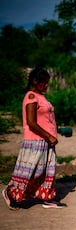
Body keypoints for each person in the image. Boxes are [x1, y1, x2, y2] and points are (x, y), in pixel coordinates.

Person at [2, 68, 67, 210]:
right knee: (31, 171)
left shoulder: (42, 97)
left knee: (47, 171)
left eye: (47, 83)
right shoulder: (31, 96)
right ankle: (11, 194)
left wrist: (57, 131)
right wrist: (48, 135)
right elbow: (31, 122)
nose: (46, 85)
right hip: (35, 141)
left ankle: (47, 197)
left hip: (47, 141)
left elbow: (46, 119)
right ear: (35, 81)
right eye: (44, 82)